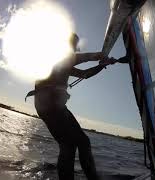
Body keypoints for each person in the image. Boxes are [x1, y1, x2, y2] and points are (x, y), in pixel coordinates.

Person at [26, 33, 114, 180]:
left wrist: (102, 65)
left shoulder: (66, 63)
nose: (73, 48)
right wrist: (100, 55)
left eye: (74, 45)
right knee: (68, 145)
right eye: (71, 44)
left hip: (57, 107)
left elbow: (84, 74)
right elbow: (79, 58)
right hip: (49, 106)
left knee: (82, 142)